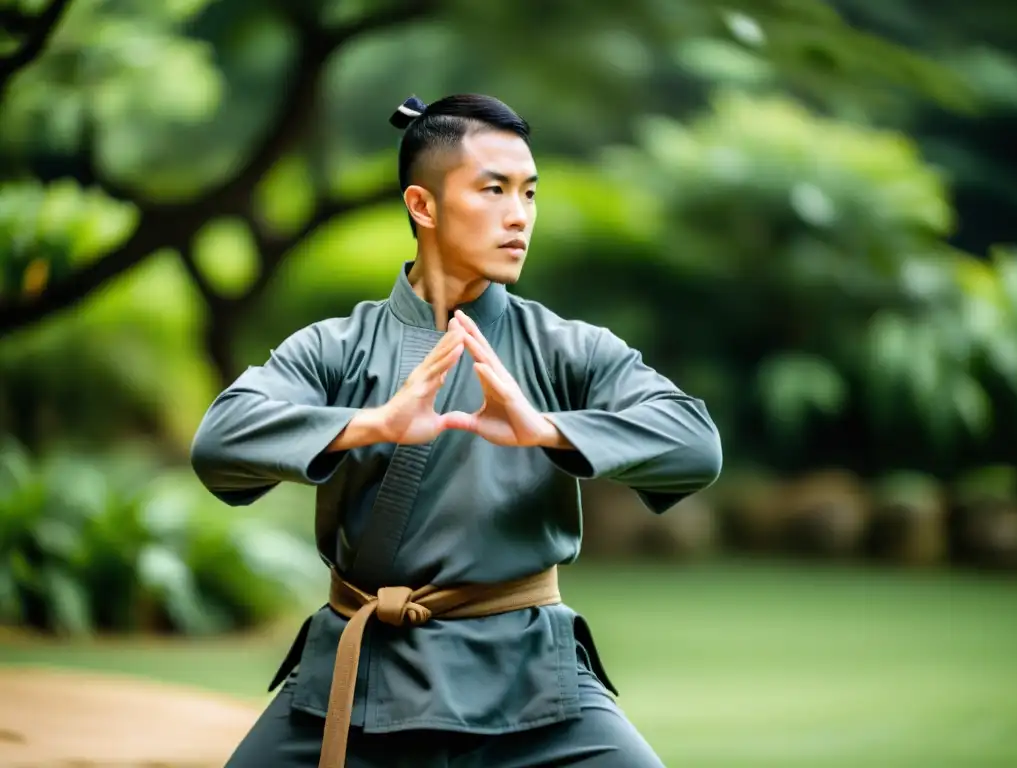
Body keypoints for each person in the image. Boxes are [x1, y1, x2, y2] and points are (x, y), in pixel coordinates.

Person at [190, 92, 723, 768]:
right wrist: (371, 424)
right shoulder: (335, 347)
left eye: (529, 193)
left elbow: (694, 442)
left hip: (533, 682)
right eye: (493, 189)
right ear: (423, 205)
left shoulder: (567, 349)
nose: (519, 215)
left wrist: (545, 428)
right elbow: (219, 440)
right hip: (359, 685)